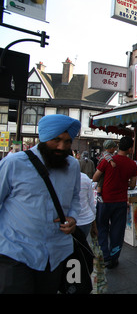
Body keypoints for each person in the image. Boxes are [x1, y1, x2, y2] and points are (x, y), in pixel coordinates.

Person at [0, 114, 82, 293]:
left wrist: (73, 218)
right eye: (56, 140)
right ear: (43, 137)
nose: (62, 147)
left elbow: (76, 197)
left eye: (67, 142)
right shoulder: (13, 163)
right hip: (16, 251)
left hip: (56, 253)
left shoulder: (73, 166)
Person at [92, 136, 137, 269]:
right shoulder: (132, 164)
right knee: (117, 230)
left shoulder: (107, 160)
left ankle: (104, 257)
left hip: (105, 201)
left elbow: (95, 177)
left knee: (102, 228)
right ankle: (114, 257)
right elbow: (133, 185)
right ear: (130, 148)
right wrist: (124, 182)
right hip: (121, 202)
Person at [78, 172, 96, 238]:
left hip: (66, 222)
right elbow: (91, 202)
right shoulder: (84, 177)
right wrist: (94, 224)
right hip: (85, 220)